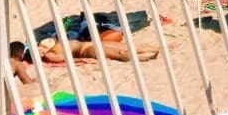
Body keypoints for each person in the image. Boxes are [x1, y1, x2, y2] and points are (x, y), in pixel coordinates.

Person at [9, 39, 159, 82]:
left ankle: (156, 47)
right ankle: (145, 58)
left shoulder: (44, 44)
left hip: (90, 41)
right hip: (87, 49)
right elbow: (67, 59)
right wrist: (85, 60)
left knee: (126, 46)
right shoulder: (50, 55)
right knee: (120, 52)